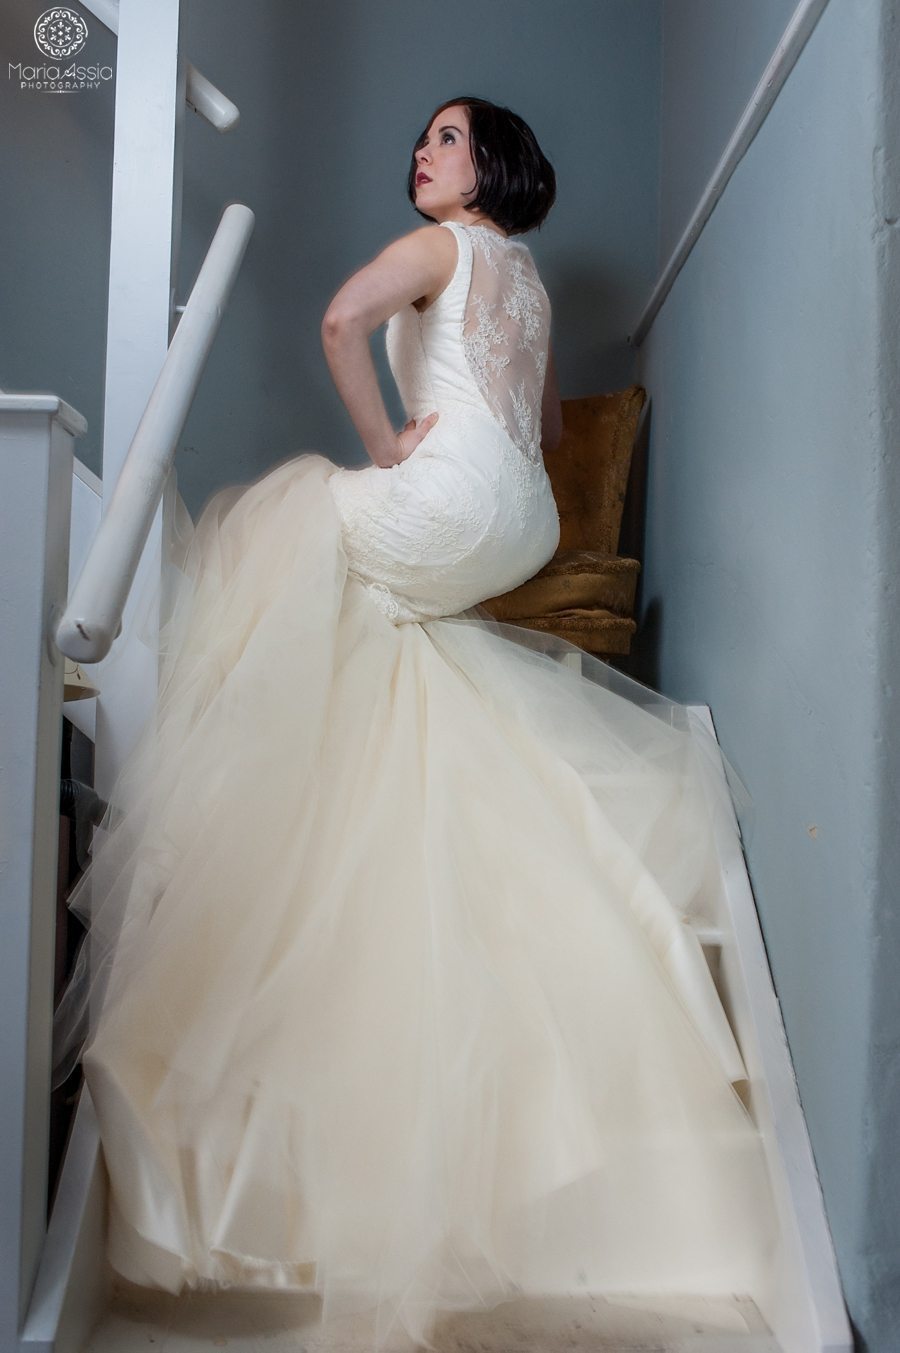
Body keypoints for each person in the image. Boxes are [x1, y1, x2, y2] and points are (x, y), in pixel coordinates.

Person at [52, 96, 779, 1351]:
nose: (423, 155)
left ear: (489, 164)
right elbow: (546, 429)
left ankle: (251, 823)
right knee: (382, 644)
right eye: (423, 141)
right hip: (518, 521)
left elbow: (340, 317)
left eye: (446, 138)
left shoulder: (445, 248)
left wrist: (386, 442)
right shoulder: (532, 281)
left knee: (274, 528)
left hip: (447, 496)